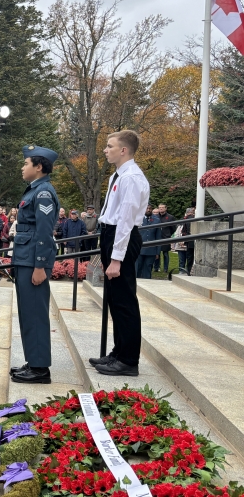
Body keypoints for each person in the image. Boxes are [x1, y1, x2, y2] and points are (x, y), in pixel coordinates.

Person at [89, 131, 150, 376]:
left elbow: (126, 220)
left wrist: (116, 258)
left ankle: (128, 360)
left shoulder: (131, 178)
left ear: (123, 150)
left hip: (120, 237)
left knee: (125, 301)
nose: (106, 150)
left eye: (109, 146)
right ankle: (119, 352)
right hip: (111, 235)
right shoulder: (120, 175)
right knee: (115, 300)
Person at [10, 145, 60, 384]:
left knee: (35, 315)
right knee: (27, 314)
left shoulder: (42, 193)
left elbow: (43, 231)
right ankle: (34, 360)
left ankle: (40, 369)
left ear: (38, 167)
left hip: (33, 261)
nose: (22, 167)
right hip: (25, 258)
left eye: (26, 163)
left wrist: (40, 265)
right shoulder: (34, 191)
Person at [136, 205, 159, 279]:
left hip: (151, 249)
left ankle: (147, 281)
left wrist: (157, 252)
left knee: (148, 268)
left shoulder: (156, 220)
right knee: (138, 267)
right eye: (146, 208)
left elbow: (158, 237)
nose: (148, 210)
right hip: (139, 248)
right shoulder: (138, 219)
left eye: (150, 208)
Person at [152, 204, 175, 273]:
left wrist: (168, 234)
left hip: (166, 238)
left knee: (165, 254)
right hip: (157, 238)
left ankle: (165, 268)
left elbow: (173, 228)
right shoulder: (155, 217)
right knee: (157, 254)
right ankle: (156, 267)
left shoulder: (170, 217)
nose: (161, 209)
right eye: (160, 208)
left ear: (166, 208)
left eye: (162, 207)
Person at [179, 208, 196, 275]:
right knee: (190, 256)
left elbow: (183, 231)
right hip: (190, 239)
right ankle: (189, 270)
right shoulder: (187, 218)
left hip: (189, 239)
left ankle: (189, 270)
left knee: (189, 257)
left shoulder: (186, 219)